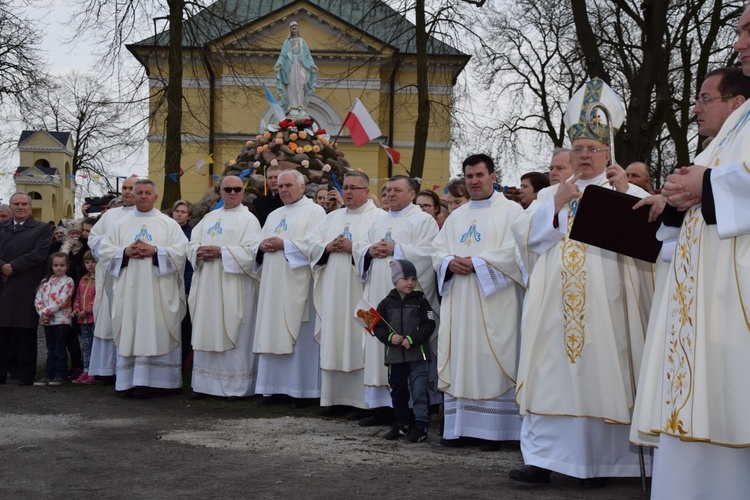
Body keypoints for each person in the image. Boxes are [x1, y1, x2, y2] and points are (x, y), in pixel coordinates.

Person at [510, 78, 653, 487]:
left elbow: (646, 245)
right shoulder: (550, 194)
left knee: (603, 372)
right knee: (549, 372)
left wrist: (626, 195)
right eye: (578, 150)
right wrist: (554, 205)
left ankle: (604, 464)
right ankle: (543, 459)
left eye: (593, 149)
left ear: (607, 152)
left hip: (608, 305)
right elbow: (524, 240)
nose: (585, 156)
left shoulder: (621, 189)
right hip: (552, 306)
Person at [631, 10, 750, 498]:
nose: (739, 41)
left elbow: (722, 185)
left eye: (747, 29)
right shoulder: (737, 126)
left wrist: (709, 184)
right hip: (701, 306)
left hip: (731, 302)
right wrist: (678, 196)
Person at [433, 154, 525, 451]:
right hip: (461, 298)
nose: (474, 181)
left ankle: (495, 431)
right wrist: (448, 262)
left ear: (492, 176)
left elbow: (519, 253)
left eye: (479, 175)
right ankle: (462, 428)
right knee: (462, 355)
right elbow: (437, 251)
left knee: (493, 356)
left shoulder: (512, 211)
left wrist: (479, 263)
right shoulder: (457, 215)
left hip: (496, 300)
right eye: (469, 176)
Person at [355, 175, 440, 426]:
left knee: (406, 348)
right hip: (378, 293)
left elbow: (430, 254)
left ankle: (411, 410)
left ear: (412, 195)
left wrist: (397, 250)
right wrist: (368, 252)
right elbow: (361, 249)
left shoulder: (423, 221)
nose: (390, 194)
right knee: (377, 344)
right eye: (387, 190)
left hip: (407, 300)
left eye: (397, 190)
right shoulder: (378, 220)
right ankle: (380, 407)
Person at [98, 179, 189, 396]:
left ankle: (162, 383)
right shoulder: (120, 224)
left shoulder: (169, 224)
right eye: (139, 192)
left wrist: (156, 252)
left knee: (158, 327)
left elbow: (181, 253)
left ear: (155, 197)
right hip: (129, 293)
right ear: (133, 196)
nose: (143, 196)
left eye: (148, 192)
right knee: (131, 326)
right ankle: (130, 382)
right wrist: (125, 252)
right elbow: (104, 253)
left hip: (158, 292)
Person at [310, 171, 387, 417]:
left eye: (355, 187)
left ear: (367, 191)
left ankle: (361, 402)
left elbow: (379, 249)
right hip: (333, 291)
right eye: (345, 187)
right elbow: (313, 245)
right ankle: (333, 399)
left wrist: (354, 248)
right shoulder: (330, 218)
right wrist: (327, 247)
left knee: (361, 339)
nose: (349, 192)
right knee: (335, 337)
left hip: (362, 293)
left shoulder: (380, 218)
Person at [253, 169, 325, 403]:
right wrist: (261, 246)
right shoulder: (274, 215)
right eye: (280, 186)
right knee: (272, 330)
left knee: (300, 336)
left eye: (288, 185)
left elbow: (316, 245)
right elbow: (258, 243)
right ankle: (272, 387)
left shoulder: (315, 212)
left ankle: (301, 390)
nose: (283, 189)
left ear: (302, 187)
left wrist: (285, 244)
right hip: (273, 285)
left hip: (298, 285)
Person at [188, 176, 261, 400]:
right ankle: (204, 385)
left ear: (242, 192)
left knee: (235, 330)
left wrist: (222, 252)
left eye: (237, 189)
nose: (232, 193)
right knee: (207, 327)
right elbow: (190, 245)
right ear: (220, 192)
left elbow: (253, 253)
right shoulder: (209, 218)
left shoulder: (249, 220)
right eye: (227, 189)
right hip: (208, 283)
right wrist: (197, 252)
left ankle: (235, 386)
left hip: (234, 285)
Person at [374, 259, 436, 443]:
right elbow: (378, 327)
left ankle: (421, 426)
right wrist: (388, 338)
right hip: (395, 358)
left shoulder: (421, 302)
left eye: (413, 279)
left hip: (418, 356)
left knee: (418, 391)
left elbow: (429, 325)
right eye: (406, 278)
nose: (410, 283)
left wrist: (412, 339)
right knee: (398, 391)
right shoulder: (385, 303)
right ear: (395, 280)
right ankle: (402, 424)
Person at [0, 192, 53, 386]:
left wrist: (11, 267)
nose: (20, 207)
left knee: (25, 331)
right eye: (16, 204)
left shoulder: (41, 229)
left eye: (24, 204)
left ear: (30, 207)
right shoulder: (2, 227)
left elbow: (38, 254)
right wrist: (2, 266)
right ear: (11, 207)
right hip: (3, 285)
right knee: (2, 331)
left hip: (25, 285)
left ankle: (25, 374)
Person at [87, 177, 137, 379]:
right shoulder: (110, 215)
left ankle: (130, 368)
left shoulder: (148, 217)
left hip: (134, 275)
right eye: (124, 188)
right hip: (110, 274)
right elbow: (93, 238)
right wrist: (114, 250)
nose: (126, 192)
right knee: (108, 319)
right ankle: (107, 370)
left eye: (131, 188)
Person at [33, 252, 75, 386]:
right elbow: (38, 299)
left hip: (61, 320)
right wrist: (42, 314)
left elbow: (62, 300)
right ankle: (47, 375)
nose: (58, 268)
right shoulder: (45, 282)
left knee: (59, 349)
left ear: (67, 266)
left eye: (62, 265)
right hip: (47, 321)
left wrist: (46, 311)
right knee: (50, 349)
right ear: (51, 266)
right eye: (56, 265)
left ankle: (60, 374)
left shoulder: (68, 281)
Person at [274, 21, 318, 113]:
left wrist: (313, 65)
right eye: (292, 29)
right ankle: (292, 104)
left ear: (298, 29)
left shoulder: (302, 42)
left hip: (301, 65)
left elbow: (308, 55)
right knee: (292, 84)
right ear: (290, 30)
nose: (294, 30)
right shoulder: (287, 42)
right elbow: (283, 54)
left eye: (295, 28)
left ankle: (300, 104)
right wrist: (279, 64)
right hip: (291, 66)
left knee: (302, 83)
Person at [172, 199, 194, 368]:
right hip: (166, 283)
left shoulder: (191, 234)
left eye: (183, 212)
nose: (179, 214)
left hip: (183, 285)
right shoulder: (167, 231)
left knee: (183, 325)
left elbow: (189, 264)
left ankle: (182, 360)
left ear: (189, 215)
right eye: (177, 211)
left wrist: (186, 287)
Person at [72, 251, 97, 384]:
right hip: (83, 319)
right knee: (87, 345)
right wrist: (76, 308)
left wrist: (87, 311)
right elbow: (78, 296)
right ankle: (86, 370)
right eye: (87, 262)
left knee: (95, 345)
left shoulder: (100, 279)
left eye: (93, 262)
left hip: (94, 318)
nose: (90, 265)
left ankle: (95, 371)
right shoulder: (83, 279)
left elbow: (98, 299)